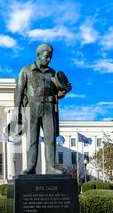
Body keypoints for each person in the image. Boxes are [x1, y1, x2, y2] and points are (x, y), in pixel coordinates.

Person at [13, 43, 72, 174]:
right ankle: (31, 167)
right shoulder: (26, 70)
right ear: (38, 55)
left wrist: (61, 93)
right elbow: (18, 92)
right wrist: (17, 110)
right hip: (32, 107)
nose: (49, 59)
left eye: (50, 57)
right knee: (32, 139)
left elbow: (56, 93)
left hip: (49, 108)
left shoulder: (53, 73)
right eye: (46, 56)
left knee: (50, 139)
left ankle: (51, 167)